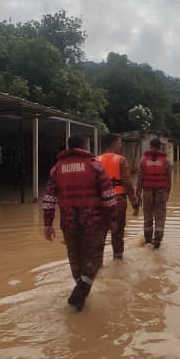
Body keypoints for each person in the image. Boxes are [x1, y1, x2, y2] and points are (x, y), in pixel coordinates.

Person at [43, 134, 118, 311]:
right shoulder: (95, 166)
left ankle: (80, 295)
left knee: (75, 260)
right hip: (93, 223)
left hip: (68, 224)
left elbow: (49, 199)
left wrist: (48, 224)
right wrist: (112, 220)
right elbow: (109, 197)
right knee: (93, 259)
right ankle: (79, 293)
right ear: (85, 146)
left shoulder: (57, 168)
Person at [98, 133, 139, 259]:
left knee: (100, 234)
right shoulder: (121, 160)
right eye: (120, 142)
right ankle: (118, 261)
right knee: (117, 234)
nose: (121, 145)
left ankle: (98, 262)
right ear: (114, 143)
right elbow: (127, 183)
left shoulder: (95, 160)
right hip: (118, 201)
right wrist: (135, 203)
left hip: (99, 202)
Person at [137, 137, 171, 249]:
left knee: (147, 216)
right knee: (160, 217)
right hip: (161, 191)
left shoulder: (143, 160)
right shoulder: (166, 161)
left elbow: (140, 178)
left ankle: (147, 242)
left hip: (147, 191)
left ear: (150, 146)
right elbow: (169, 179)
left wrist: (138, 193)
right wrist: (168, 193)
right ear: (160, 147)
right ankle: (157, 243)